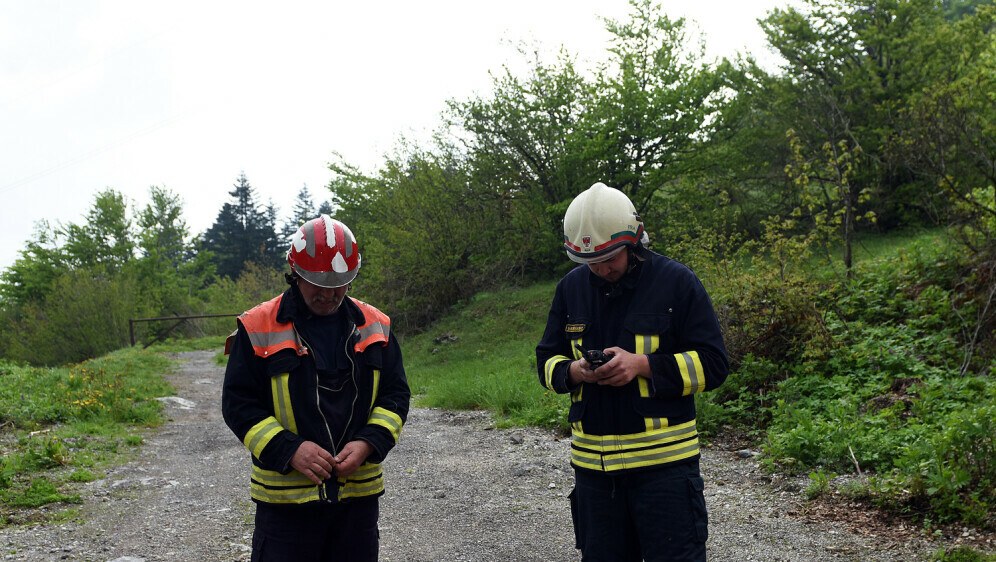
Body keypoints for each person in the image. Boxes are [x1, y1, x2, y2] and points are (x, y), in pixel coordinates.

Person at [535, 182, 729, 561]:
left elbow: (715, 364)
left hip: (667, 476)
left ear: (635, 242)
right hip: (595, 476)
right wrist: (574, 371)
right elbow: (545, 361)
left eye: (611, 258)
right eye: (591, 261)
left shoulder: (676, 283)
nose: (602, 268)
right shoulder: (570, 289)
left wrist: (642, 366)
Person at [222, 215, 410, 562]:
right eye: (318, 283)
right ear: (295, 275)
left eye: (340, 283)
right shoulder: (257, 326)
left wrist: (369, 441)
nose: (330, 294)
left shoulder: (377, 326)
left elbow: (395, 396)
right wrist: (289, 449)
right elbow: (238, 404)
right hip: (285, 507)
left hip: (357, 503)